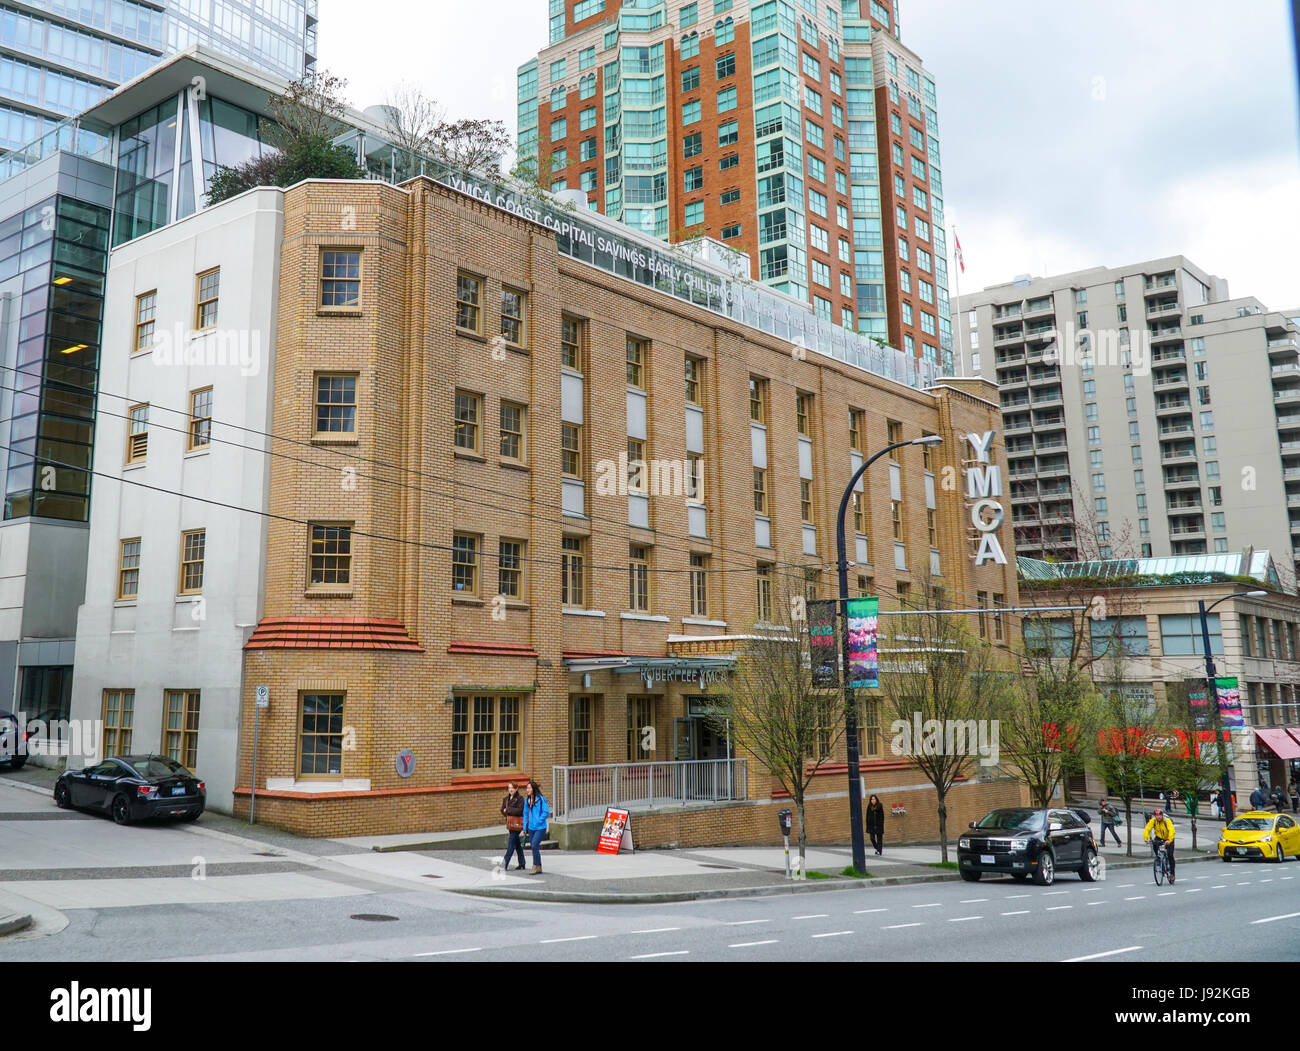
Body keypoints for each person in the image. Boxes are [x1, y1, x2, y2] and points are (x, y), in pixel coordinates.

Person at [1143, 806, 1177, 884]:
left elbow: (1172, 830)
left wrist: (1169, 840)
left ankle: (1172, 874)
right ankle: (1158, 859)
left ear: (1162, 815)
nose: (1158, 817)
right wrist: (1146, 838)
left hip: (1168, 838)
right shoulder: (1153, 821)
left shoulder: (1167, 821)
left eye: (1159, 815)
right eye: (1156, 815)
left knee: (1170, 854)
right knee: (1155, 845)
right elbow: (1147, 828)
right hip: (1159, 837)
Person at [523, 779, 550, 875]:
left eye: (529, 788)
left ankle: (535, 865)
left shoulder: (541, 799)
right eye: (527, 788)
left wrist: (539, 821)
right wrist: (524, 827)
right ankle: (539, 866)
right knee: (535, 847)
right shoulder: (527, 800)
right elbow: (525, 813)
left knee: (534, 845)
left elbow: (546, 811)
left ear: (533, 789)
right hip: (531, 827)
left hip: (540, 827)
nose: (527, 790)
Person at [500, 781, 525, 872]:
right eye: (509, 788)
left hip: (517, 824)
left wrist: (508, 810)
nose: (510, 789)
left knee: (511, 844)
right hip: (510, 824)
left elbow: (519, 811)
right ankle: (522, 863)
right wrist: (506, 811)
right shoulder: (506, 799)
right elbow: (502, 810)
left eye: (512, 788)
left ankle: (504, 864)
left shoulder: (520, 799)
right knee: (517, 843)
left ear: (516, 788)